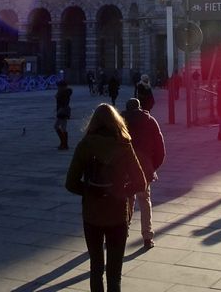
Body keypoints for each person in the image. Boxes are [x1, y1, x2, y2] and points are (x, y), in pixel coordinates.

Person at [65, 103, 147, 292]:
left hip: (92, 215)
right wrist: (120, 192)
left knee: (96, 268)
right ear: (116, 122)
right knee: (114, 273)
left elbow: (70, 183)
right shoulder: (124, 145)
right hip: (117, 214)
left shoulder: (85, 145)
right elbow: (140, 182)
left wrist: (91, 192)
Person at [122, 98, 166, 249]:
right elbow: (160, 147)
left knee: (127, 199)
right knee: (144, 200)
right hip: (144, 167)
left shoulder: (120, 122)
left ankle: (123, 231)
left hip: (126, 167)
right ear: (140, 108)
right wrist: (153, 166)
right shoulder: (150, 121)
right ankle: (147, 237)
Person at [55, 78, 73, 150]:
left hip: (63, 111)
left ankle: (64, 144)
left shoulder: (63, 93)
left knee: (59, 127)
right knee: (61, 127)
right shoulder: (63, 92)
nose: (58, 87)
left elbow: (64, 103)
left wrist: (58, 96)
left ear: (62, 86)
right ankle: (63, 144)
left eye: (59, 86)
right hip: (63, 110)